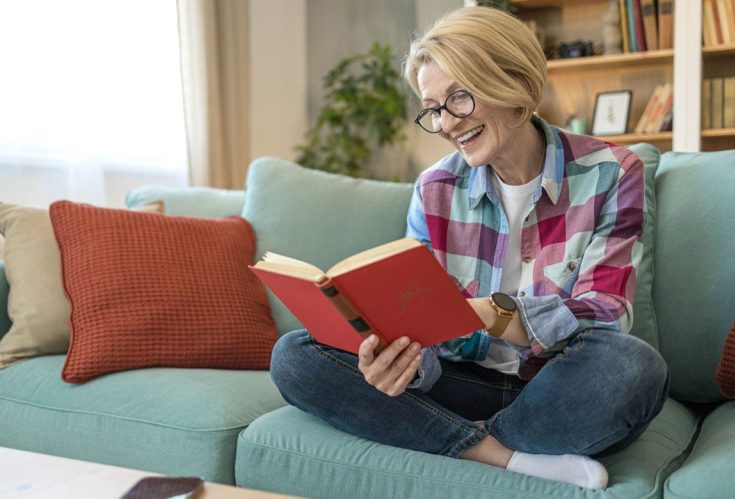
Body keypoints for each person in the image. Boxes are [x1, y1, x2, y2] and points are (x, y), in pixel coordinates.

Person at [270, 6, 668, 491]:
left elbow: (605, 315)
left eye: (458, 97)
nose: (445, 124)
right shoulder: (434, 187)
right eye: (433, 108)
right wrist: (399, 363)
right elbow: (423, 329)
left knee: (633, 366)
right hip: (458, 383)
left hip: (555, 387)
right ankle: (497, 454)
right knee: (295, 354)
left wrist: (488, 313)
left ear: (512, 81)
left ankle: (447, 440)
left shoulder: (612, 172)